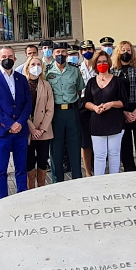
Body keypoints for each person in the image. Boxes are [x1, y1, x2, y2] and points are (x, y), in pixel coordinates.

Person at [0, 46, 32, 199]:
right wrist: (10, 124)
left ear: (15, 59)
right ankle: (1, 200)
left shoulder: (21, 78)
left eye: (10, 56)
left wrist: (20, 123)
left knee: (21, 168)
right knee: (1, 169)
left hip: (21, 131)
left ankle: (22, 196)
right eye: (4, 56)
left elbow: (28, 103)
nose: (7, 59)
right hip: (1, 132)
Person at [84, 50, 128, 176]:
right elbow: (86, 101)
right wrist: (94, 107)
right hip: (97, 122)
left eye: (104, 61)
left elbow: (123, 102)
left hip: (115, 121)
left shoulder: (118, 81)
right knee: (99, 155)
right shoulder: (91, 82)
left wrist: (111, 104)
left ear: (108, 63)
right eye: (99, 62)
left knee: (114, 153)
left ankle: (114, 181)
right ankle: (99, 183)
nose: (102, 64)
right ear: (95, 64)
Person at [46, 41, 84, 183]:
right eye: (57, 52)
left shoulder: (75, 70)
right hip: (55, 114)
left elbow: (79, 90)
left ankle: (77, 180)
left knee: (74, 146)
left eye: (63, 52)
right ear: (53, 53)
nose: (60, 55)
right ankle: (57, 182)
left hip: (72, 112)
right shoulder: (47, 71)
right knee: (56, 149)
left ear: (67, 54)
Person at [112, 41, 136, 172]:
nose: (125, 53)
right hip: (121, 111)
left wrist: (135, 112)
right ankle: (129, 172)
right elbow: (111, 94)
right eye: (123, 50)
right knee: (125, 145)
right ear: (118, 52)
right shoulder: (113, 71)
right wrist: (125, 112)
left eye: (128, 50)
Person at [24, 56, 53, 189]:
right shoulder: (22, 83)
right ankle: (30, 189)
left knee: (42, 161)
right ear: (27, 67)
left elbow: (50, 108)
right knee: (29, 161)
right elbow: (20, 108)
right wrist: (32, 129)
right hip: (28, 130)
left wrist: (41, 129)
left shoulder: (46, 84)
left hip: (43, 131)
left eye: (38, 64)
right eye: (32, 64)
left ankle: (41, 186)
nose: (35, 67)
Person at [78, 39, 97, 177]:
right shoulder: (77, 69)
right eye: (84, 50)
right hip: (83, 107)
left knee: (99, 139)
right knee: (85, 142)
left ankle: (99, 167)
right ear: (81, 52)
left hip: (98, 106)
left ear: (94, 51)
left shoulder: (100, 67)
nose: (87, 52)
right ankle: (88, 171)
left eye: (90, 49)